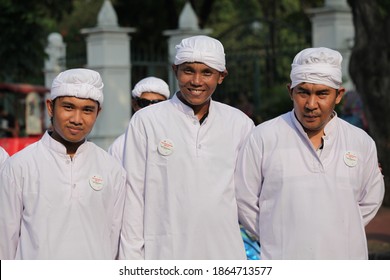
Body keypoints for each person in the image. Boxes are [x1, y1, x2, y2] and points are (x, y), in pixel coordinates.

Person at [234, 47, 385, 260]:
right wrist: (280, 234)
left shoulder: (360, 142)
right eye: (303, 92)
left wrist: (337, 230)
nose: (311, 104)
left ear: (338, 95)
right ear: (291, 92)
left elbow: (370, 199)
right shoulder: (263, 138)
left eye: (322, 93)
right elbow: (245, 199)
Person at [119, 35, 254, 259]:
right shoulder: (147, 121)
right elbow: (133, 198)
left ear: (221, 76)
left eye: (207, 72)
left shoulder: (239, 124)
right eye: (188, 70)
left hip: (225, 255)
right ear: (175, 71)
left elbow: (248, 198)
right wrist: (132, 261)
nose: (197, 81)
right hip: (164, 255)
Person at [0, 68, 127, 259]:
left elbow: (113, 241)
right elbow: (5, 242)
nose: (77, 119)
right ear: (50, 107)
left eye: (87, 110)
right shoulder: (19, 166)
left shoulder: (112, 170)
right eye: (68, 107)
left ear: (98, 113)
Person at [108, 76, 170, 161]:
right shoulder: (120, 145)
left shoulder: (177, 138)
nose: (150, 108)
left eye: (157, 103)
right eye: (144, 103)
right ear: (134, 105)